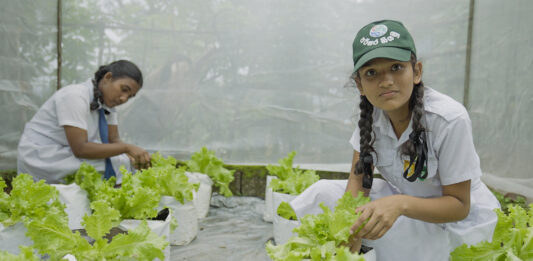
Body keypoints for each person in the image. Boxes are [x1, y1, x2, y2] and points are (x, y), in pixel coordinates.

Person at [289, 20, 500, 260]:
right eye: (371, 72)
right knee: (323, 192)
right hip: (408, 208)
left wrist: (398, 204)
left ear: (417, 71)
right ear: (359, 84)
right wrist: (350, 230)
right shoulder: (371, 115)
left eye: (396, 67)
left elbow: (460, 205)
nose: (386, 80)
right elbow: (359, 182)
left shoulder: (449, 119)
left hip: (455, 223)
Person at [17, 60, 151, 184]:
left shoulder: (107, 104)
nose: (124, 98)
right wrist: (127, 148)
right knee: (109, 165)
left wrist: (132, 155)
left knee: (124, 162)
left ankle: (110, 201)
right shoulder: (75, 96)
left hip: (64, 151)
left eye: (130, 96)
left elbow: (114, 140)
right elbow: (80, 149)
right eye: (124, 89)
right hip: (43, 155)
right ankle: (105, 201)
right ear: (108, 78)